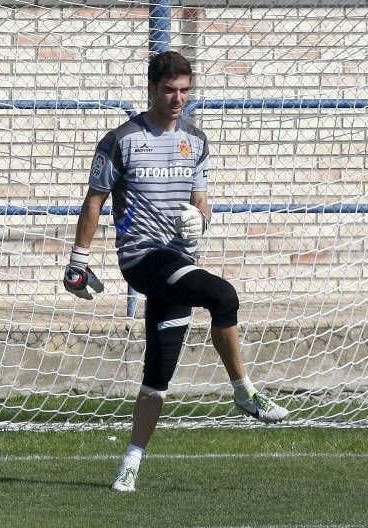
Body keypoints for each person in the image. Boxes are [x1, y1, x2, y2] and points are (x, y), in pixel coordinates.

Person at [62, 51, 289, 492]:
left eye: (185, 90)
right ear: (151, 89)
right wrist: (77, 262)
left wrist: (200, 218)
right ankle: (244, 391)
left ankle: (128, 466)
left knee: (157, 375)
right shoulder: (120, 140)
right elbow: (94, 201)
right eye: (169, 90)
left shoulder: (196, 140)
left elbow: (201, 201)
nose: (177, 99)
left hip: (179, 262)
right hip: (143, 258)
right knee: (223, 296)